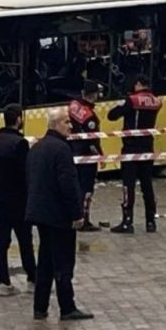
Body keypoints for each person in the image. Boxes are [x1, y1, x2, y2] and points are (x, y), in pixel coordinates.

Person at [26, 107, 93, 322]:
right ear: (55, 125)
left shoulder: (37, 148)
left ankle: (40, 306)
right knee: (63, 262)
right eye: (66, 122)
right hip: (59, 215)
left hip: (40, 213)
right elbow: (68, 184)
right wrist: (77, 213)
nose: (71, 126)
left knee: (45, 260)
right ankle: (67, 307)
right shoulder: (61, 149)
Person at [0, 104, 37, 297]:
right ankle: (32, 278)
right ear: (18, 120)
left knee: (2, 239)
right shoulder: (20, 144)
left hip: (0, 197)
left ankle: (3, 281)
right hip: (19, 198)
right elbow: (26, 172)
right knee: (25, 239)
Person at [107, 75, 163, 234]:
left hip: (131, 147)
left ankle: (127, 221)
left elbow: (112, 115)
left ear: (138, 84)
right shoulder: (156, 101)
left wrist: (122, 103)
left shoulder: (132, 100)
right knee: (147, 185)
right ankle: (151, 221)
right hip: (147, 147)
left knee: (128, 185)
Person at [68, 80, 103, 232]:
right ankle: (84, 219)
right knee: (86, 189)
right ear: (94, 95)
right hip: (86, 156)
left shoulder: (73, 105)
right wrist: (100, 156)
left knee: (75, 187)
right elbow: (92, 140)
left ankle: (72, 216)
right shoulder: (90, 117)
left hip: (72, 152)